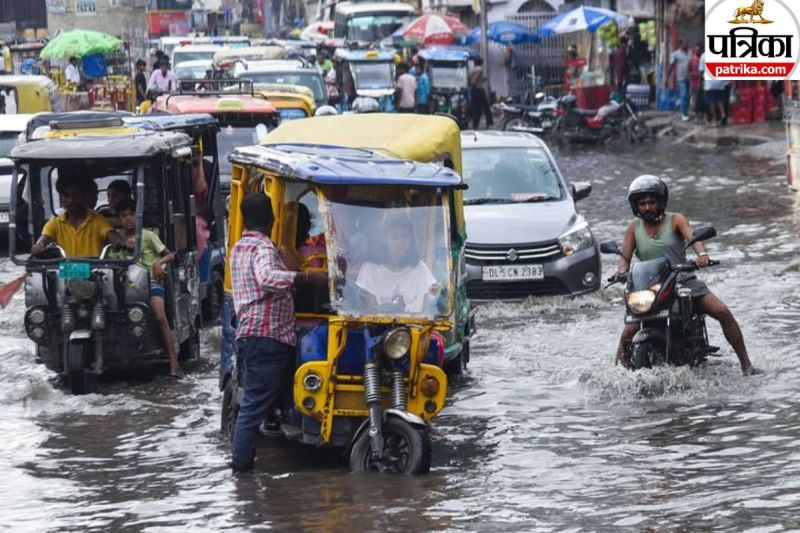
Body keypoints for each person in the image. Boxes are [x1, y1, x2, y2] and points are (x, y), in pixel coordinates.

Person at [612, 175, 757, 375]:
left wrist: (702, 255)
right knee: (628, 332)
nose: (647, 207)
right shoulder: (632, 228)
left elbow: (693, 238)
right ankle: (619, 375)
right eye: (642, 203)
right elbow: (624, 258)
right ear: (635, 205)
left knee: (722, 311)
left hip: (681, 278)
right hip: (650, 286)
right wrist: (620, 271)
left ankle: (746, 365)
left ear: (661, 202)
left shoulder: (676, 220)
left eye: (652, 202)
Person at [228, 193, 326, 473]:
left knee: (261, 400)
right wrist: (307, 277)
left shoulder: (238, 248)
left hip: (251, 333)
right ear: (271, 220)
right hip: (267, 334)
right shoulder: (262, 247)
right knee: (254, 404)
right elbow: (267, 278)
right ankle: (241, 465)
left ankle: (248, 455)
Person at [115, 199, 181, 378]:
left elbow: (170, 255)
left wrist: (158, 263)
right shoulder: (117, 239)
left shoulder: (148, 235)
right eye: (124, 216)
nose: (129, 219)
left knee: (160, 316)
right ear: (119, 219)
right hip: (127, 286)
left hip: (151, 282)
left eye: (132, 215)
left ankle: (174, 362)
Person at [356, 214, 437, 314]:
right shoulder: (370, 270)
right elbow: (369, 313)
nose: (399, 242)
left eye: (404, 236)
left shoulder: (421, 270)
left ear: (411, 239)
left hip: (416, 329)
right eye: (394, 236)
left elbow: (427, 310)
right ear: (385, 238)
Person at [32, 174, 123, 257]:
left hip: (95, 272)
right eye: (66, 196)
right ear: (62, 197)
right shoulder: (54, 224)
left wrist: (124, 243)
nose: (71, 200)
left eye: (76, 195)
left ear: (84, 196)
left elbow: (116, 238)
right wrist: (38, 247)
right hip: (63, 273)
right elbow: (42, 241)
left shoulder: (99, 221)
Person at [668, 39, 691, 122]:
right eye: (685, 43)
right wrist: (667, 76)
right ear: (680, 45)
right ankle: (683, 114)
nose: (686, 45)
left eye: (687, 43)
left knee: (688, 96)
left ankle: (686, 112)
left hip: (689, 78)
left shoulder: (690, 53)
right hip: (681, 78)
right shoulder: (675, 54)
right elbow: (671, 65)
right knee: (683, 95)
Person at [469, 57, 493, 129]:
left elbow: (472, 79)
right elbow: (474, 80)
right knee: (485, 107)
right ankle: (488, 122)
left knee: (476, 108)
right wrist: (474, 84)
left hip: (475, 90)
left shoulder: (472, 69)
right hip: (478, 90)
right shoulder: (479, 69)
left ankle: (475, 124)